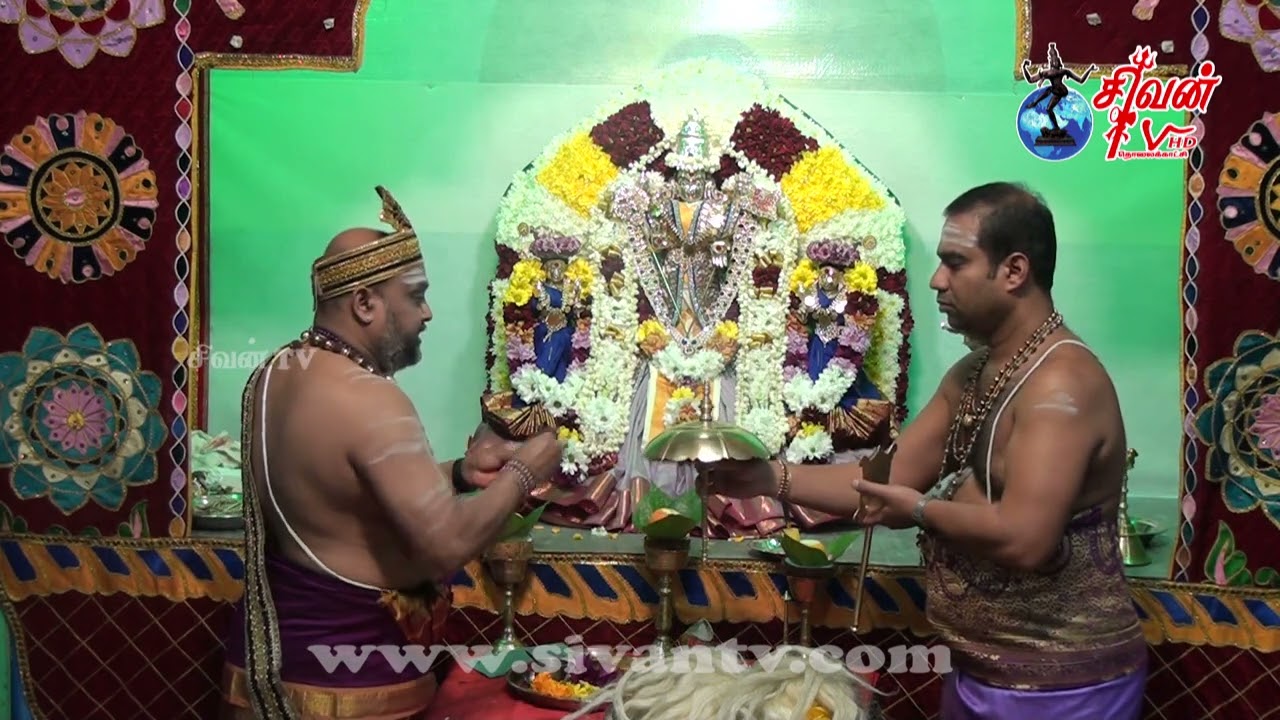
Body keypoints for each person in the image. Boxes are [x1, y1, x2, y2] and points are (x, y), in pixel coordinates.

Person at [701, 182, 1147, 719]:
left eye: (955, 263)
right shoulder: (973, 374)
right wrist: (767, 478)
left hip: (1064, 689)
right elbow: (883, 481)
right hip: (978, 671)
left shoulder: (1061, 384)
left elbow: (1025, 538)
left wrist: (918, 510)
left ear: (1014, 271)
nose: (937, 279)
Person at [219, 186, 564, 720]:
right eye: (416, 295)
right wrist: (525, 470)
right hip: (348, 689)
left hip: (264, 674)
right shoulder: (370, 398)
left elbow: (339, 491)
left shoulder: (275, 373)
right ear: (365, 303)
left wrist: (459, 473)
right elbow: (445, 545)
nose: (427, 312)